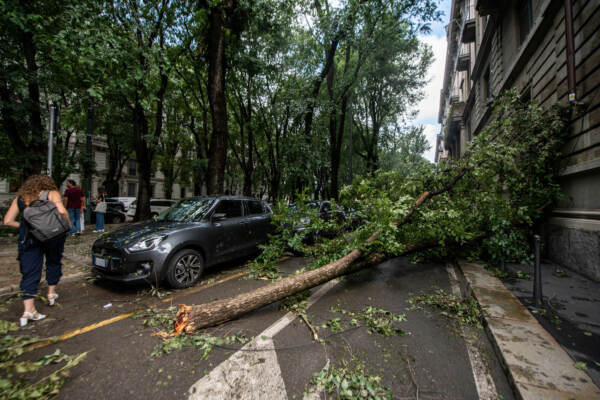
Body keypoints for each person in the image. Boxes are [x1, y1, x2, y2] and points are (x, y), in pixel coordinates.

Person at [3, 174, 70, 326]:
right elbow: (61, 212)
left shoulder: (21, 197)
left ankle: (28, 310)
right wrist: (68, 226)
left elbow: (7, 221)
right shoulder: (52, 193)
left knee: (30, 271)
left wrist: (28, 228)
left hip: (29, 240)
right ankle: (51, 293)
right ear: (48, 183)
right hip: (53, 237)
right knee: (54, 262)